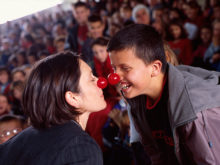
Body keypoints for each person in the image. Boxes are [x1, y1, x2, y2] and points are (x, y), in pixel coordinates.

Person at [107, 24, 220, 164]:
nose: (115, 77)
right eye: (114, 68)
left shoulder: (196, 109)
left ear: (155, 68)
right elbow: (156, 155)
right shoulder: (137, 101)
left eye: (125, 68)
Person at [0, 51, 106, 165]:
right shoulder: (80, 147)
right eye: (91, 79)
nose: (100, 82)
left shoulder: (15, 143)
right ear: (73, 98)